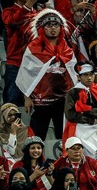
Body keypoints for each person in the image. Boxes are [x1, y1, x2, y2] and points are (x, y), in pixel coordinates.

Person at [17, 9, 76, 140]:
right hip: (40, 101)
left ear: (61, 28)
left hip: (62, 100)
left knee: (63, 137)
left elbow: (72, 75)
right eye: (49, 26)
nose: (53, 29)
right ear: (42, 28)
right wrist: (27, 97)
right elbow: (25, 74)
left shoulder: (67, 49)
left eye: (56, 25)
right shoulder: (33, 48)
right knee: (37, 137)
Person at [1, 0, 43, 106]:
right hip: (16, 64)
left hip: (35, 64)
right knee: (12, 104)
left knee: (35, 104)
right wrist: (29, 3)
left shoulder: (38, 14)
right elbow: (13, 21)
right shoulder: (8, 12)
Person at [63, 61, 97, 164]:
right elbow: (70, 115)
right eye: (85, 75)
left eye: (91, 74)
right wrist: (91, 119)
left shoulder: (96, 91)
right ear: (79, 77)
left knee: (94, 160)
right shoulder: (73, 92)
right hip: (79, 130)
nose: (89, 78)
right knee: (80, 159)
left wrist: (86, 110)